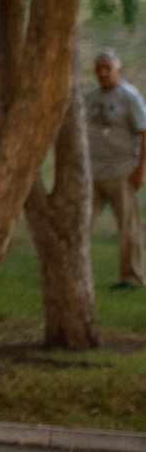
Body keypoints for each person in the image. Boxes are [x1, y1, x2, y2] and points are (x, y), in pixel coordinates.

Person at [84, 50, 146, 290]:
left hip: (122, 171)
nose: (102, 73)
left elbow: (143, 132)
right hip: (94, 172)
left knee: (128, 228)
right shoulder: (92, 96)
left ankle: (131, 277)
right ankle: (75, 272)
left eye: (107, 68)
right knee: (81, 224)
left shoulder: (129, 97)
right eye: (98, 68)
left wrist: (140, 169)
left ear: (118, 71)